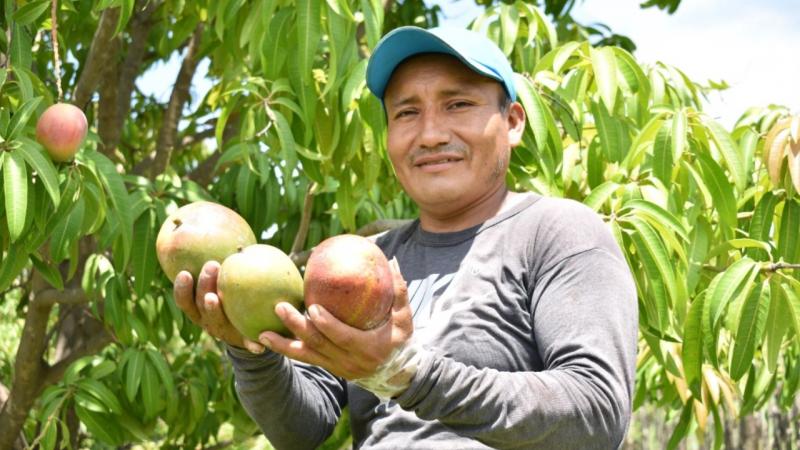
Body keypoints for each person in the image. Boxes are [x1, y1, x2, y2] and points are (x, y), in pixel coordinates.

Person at [174, 26, 638, 449]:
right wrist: (251, 349)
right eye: (407, 112)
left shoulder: (557, 231)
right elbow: (303, 428)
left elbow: (596, 412)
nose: (430, 134)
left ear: (513, 122)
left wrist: (408, 374)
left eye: (458, 105)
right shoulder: (366, 259)